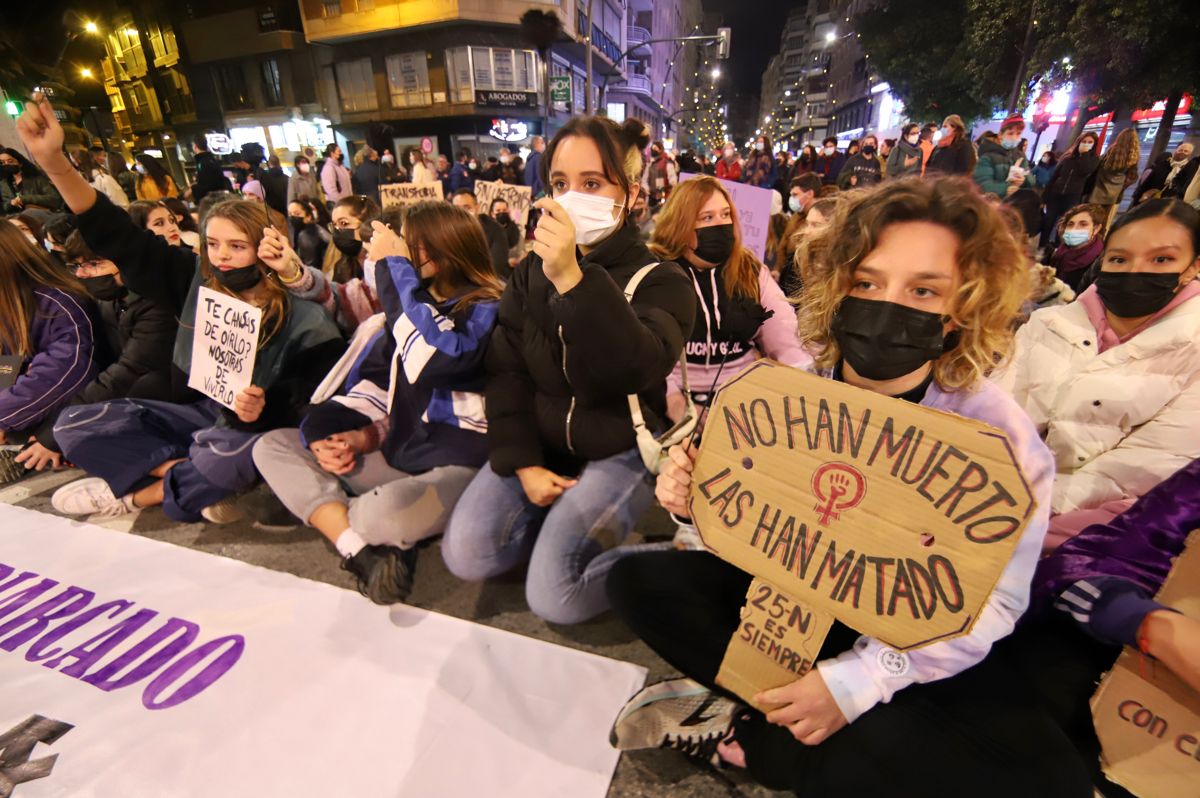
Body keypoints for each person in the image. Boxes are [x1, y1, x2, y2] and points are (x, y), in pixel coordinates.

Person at [607, 177, 1060, 796]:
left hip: (896, 625)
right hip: (788, 594)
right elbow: (744, 534)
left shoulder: (1001, 444)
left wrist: (857, 682)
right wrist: (694, 504)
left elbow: (994, 605)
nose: (886, 304)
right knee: (635, 582)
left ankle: (759, 729)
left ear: (963, 307)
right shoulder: (786, 388)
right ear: (838, 284)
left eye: (923, 290)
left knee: (1043, 777)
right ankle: (776, 722)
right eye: (867, 282)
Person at [15, 93, 345, 525]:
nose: (222, 256)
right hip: (198, 417)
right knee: (73, 424)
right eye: (212, 244)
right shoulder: (195, 279)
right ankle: (196, 478)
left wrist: (262, 407)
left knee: (236, 452)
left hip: (251, 432)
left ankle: (141, 495)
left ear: (267, 249)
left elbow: (313, 408)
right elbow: (117, 234)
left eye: (237, 246)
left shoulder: (305, 317)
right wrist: (56, 163)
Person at [440, 115, 696, 625]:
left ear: (629, 192)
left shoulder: (662, 279)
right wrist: (525, 463)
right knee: (466, 553)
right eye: (560, 184)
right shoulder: (530, 271)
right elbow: (507, 370)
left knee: (558, 596)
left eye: (592, 183)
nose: (571, 197)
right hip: (546, 440)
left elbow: (637, 369)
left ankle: (687, 555)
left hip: (618, 448)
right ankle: (555, 537)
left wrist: (574, 282)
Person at [253, 203, 504, 604]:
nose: (385, 247)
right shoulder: (408, 309)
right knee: (271, 446)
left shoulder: (490, 309)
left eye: (401, 242)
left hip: (460, 468)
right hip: (399, 454)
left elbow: (438, 358)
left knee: (377, 516)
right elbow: (378, 390)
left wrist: (393, 268)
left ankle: (334, 517)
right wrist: (351, 438)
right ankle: (359, 550)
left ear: (436, 253)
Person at [997, 198, 1200, 553]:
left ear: (1192, 267)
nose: (1136, 271)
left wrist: (1015, 510)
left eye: (1162, 259)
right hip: (990, 497)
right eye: (1120, 259)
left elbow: (1143, 468)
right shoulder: (1047, 323)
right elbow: (996, 412)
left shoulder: (1192, 352)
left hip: (1079, 534)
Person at [647, 174, 810, 431]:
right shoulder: (655, 271)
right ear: (680, 224)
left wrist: (805, 387)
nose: (721, 224)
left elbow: (786, 337)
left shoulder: (749, 268)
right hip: (672, 397)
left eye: (726, 215)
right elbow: (642, 352)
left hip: (744, 403)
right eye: (707, 218)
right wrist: (672, 400)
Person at [13, 230, 177, 475]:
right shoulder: (108, 297)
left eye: (92, 264)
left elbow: (122, 372)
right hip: (112, 390)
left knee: (80, 433)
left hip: (163, 396)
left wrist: (53, 432)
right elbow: (13, 356)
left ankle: (175, 473)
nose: (81, 274)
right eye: (76, 266)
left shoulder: (155, 301)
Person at [0, 222, 95, 484]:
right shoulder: (9, 306)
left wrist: (3, 416)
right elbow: (6, 366)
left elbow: (65, 370)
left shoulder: (57, 302)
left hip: (84, 409)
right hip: (35, 416)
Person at [1039, 132, 1101, 251]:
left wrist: (1085, 154)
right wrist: (1044, 197)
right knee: (1048, 222)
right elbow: (1054, 177)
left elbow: (1086, 170)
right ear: (1078, 142)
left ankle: (1058, 249)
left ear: (1094, 145)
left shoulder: (1094, 160)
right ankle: (1041, 248)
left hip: (1072, 196)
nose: (1086, 144)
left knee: (1065, 224)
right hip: (1055, 194)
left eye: (1090, 142)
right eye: (1084, 141)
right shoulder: (1068, 158)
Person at [450, 188, 512, 278]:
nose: (461, 213)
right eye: (456, 209)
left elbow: (496, 267)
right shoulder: (448, 231)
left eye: (467, 208)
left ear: (477, 207)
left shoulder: (495, 230)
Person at [1045, 203, 1105, 293]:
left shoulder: (1099, 263)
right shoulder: (1058, 252)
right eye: (1070, 224)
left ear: (1096, 229)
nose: (1074, 229)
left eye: (1083, 224)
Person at [1087, 130, 1140, 230]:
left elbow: (1097, 168)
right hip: (1113, 196)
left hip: (1097, 192)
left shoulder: (1110, 152)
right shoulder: (1133, 158)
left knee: (1090, 219)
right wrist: (1123, 186)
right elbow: (1133, 177)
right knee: (1102, 223)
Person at [974, 114, 1036, 199]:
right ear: (1000, 135)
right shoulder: (987, 156)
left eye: (1018, 133)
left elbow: (1031, 179)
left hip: (1012, 205)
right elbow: (983, 185)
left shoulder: (1020, 156)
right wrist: (1007, 188)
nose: (1014, 137)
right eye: (1010, 133)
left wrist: (1024, 180)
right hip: (991, 205)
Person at [0, 147, 64, 213]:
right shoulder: (4, 183)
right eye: (2, 162)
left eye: (10, 161)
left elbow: (54, 199)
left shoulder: (36, 177)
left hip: (45, 215)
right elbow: (5, 206)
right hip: (20, 218)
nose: (6, 164)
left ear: (20, 162)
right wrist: (11, 203)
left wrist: (25, 199)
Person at [286, 196, 331, 272]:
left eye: (297, 214)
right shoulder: (314, 228)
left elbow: (311, 269)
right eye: (290, 214)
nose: (292, 217)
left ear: (308, 217)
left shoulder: (305, 236)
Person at [189, 139, 231, 205]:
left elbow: (206, 184)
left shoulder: (203, 162)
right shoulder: (211, 159)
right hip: (218, 199)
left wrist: (193, 188)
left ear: (195, 146)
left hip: (211, 202)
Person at [644, 140, 678, 204]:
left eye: (655, 148)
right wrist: (647, 189)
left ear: (660, 150)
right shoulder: (650, 164)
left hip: (664, 197)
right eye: (652, 148)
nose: (653, 150)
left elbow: (673, 181)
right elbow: (645, 179)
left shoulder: (667, 163)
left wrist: (668, 191)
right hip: (651, 196)